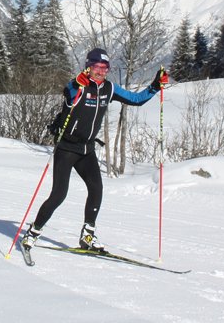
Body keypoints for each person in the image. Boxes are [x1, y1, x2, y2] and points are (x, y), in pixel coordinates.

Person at [21, 48, 169, 253]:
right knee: (59, 195)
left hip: (86, 149)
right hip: (67, 148)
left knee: (96, 188)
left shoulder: (109, 88)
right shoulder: (78, 85)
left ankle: (88, 236)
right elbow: (69, 92)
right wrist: (76, 82)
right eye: (97, 67)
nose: (101, 71)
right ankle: (33, 233)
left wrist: (155, 86)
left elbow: (136, 100)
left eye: (105, 68)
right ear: (88, 67)